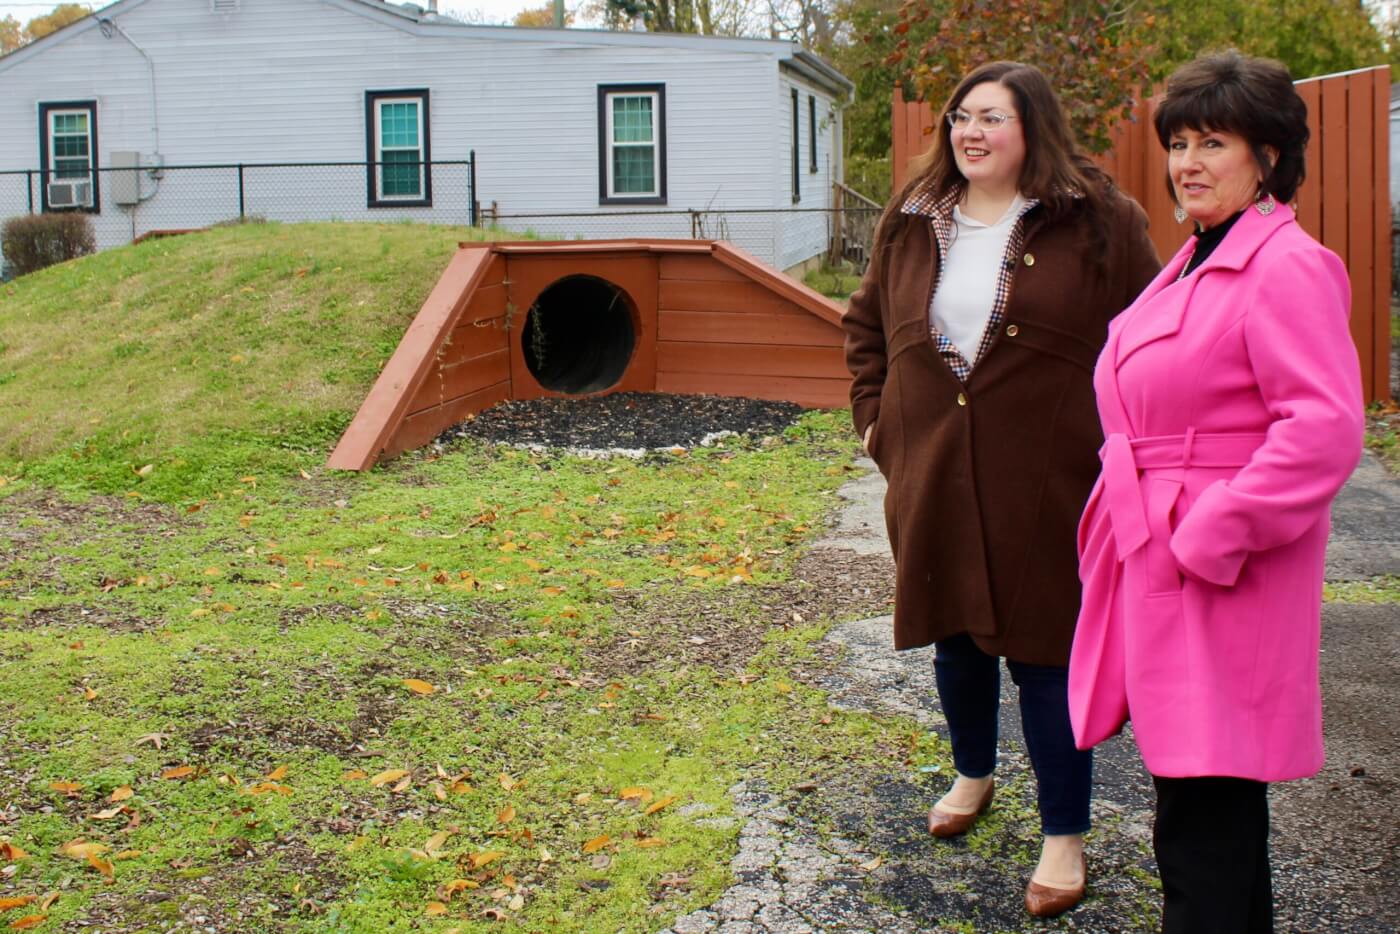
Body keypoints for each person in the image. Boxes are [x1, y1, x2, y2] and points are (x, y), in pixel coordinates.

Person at [841, 61, 1160, 917]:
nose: (969, 133)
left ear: (1034, 129)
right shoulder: (912, 221)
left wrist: (1120, 450)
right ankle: (973, 773)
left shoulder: (1101, 223)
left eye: (991, 118)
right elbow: (865, 325)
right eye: (959, 118)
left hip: (1049, 477)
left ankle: (1064, 836)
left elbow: (1149, 335)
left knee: (1049, 653)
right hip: (934, 467)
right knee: (956, 635)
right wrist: (878, 422)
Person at [1067, 51, 1365, 933]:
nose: (1187, 162)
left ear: (1267, 156)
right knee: (1201, 810)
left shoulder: (1286, 266)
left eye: (1214, 142)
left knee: (1205, 816)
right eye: (1179, 142)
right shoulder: (1200, 255)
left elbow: (1322, 428)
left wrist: (1213, 530)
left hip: (1222, 573)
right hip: (1166, 558)